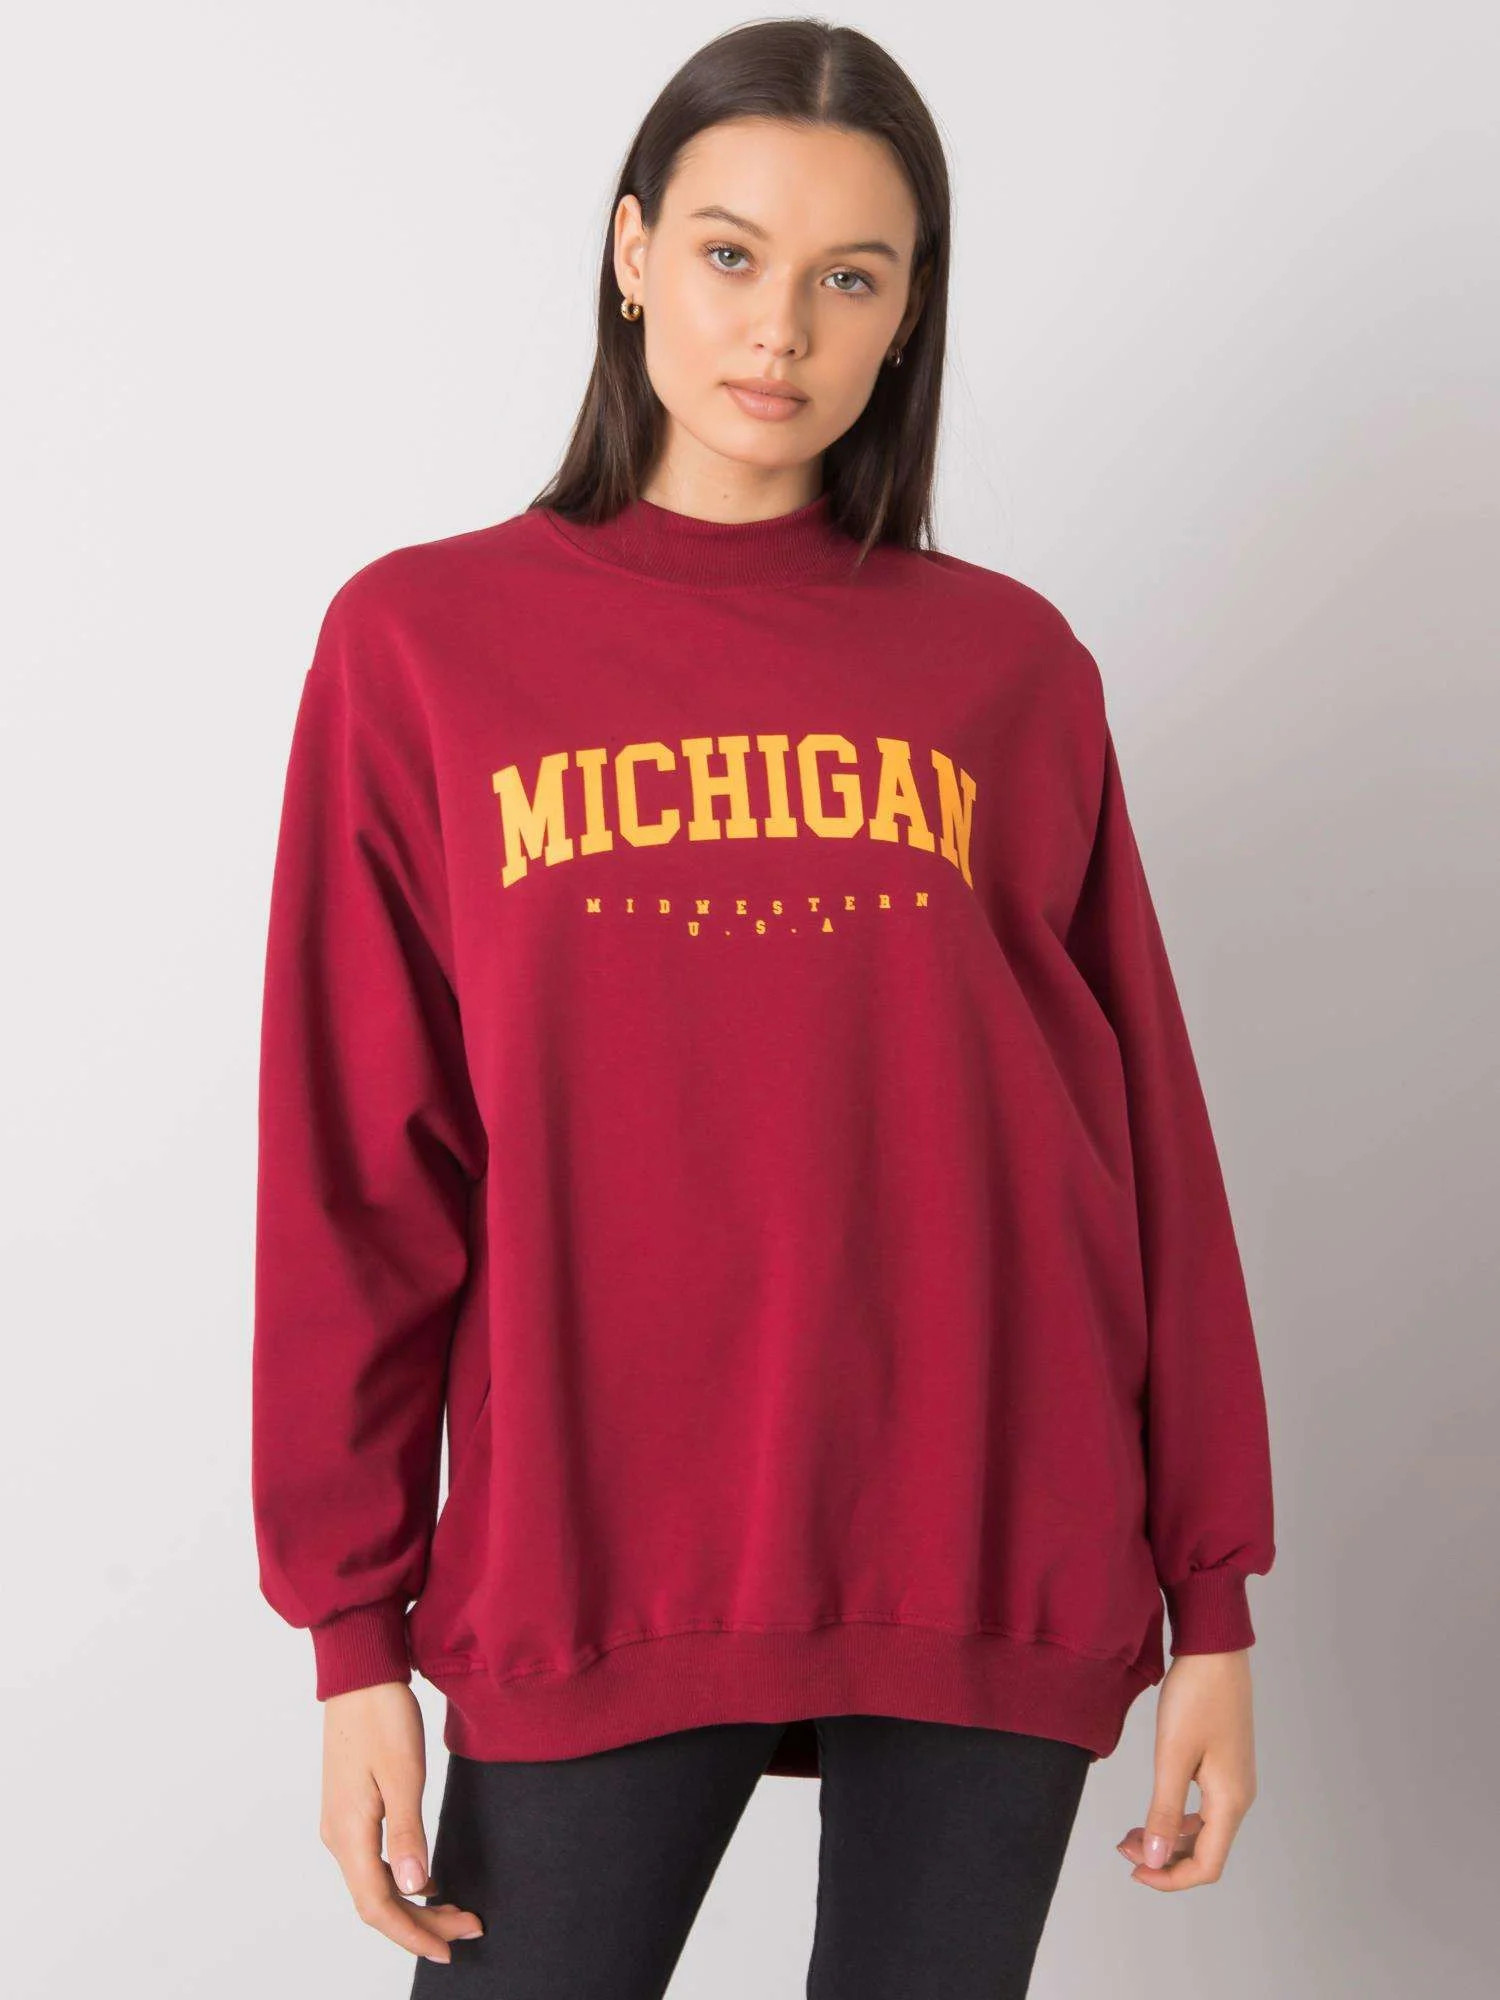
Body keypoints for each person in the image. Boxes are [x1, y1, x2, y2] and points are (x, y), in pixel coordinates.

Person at [250, 20, 1276, 1998]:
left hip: (990, 1531)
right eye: (730, 253)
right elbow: (358, 1170)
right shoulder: (421, 646)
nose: (781, 328)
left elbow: (1144, 1142)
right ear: (632, 250)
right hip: (598, 1559)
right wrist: (350, 1638)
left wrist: (1213, 1598)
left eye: (850, 276)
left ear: (911, 313)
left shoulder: (1011, 669)